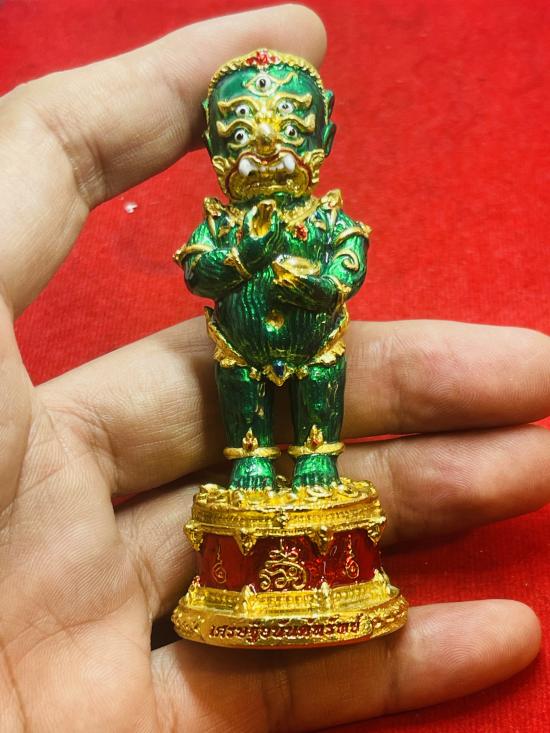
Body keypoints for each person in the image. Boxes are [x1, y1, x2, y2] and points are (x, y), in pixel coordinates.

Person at [0, 5, 548, 731]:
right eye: (242, 138)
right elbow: (199, 270)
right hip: (240, 347)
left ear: (322, 142)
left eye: (288, 134)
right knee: (245, 411)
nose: (265, 152)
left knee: (321, 400)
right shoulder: (224, 224)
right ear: (216, 151)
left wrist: (318, 281)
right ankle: (255, 462)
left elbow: (348, 265)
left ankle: (316, 460)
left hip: (318, 344)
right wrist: (244, 257)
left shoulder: (326, 219)